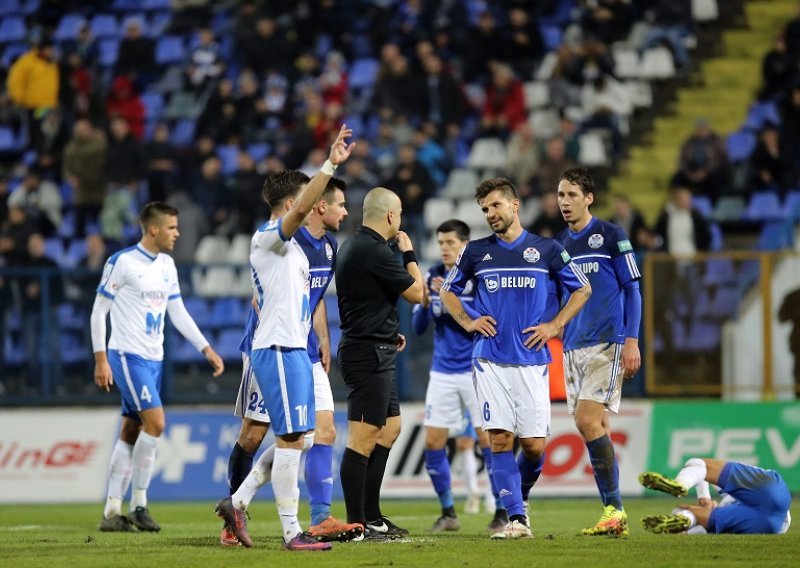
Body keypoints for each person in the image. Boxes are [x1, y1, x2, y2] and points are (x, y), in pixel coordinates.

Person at [215, 126, 355, 552]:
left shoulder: (299, 249)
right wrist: (330, 164)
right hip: (275, 348)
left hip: (298, 349)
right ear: (295, 204)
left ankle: (237, 503)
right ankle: (292, 532)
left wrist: (321, 335)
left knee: (305, 437)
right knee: (287, 438)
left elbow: (308, 299)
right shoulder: (267, 239)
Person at [440, 177, 591, 539]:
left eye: (495, 206)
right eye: (485, 209)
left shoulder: (547, 249)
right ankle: (517, 519)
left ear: (514, 205)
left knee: (535, 448)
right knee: (500, 440)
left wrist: (554, 325)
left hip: (532, 361)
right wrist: (468, 321)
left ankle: (519, 500)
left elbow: (582, 288)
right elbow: (449, 293)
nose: (490, 214)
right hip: (489, 359)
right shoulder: (476, 252)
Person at [91, 202, 224, 532]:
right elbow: (99, 312)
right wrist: (101, 359)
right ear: (153, 229)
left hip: (154, 359)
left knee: (131, 429)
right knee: (157, 422)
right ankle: (139, 504)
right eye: (172, 228)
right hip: (127, 355)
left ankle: (111, 512)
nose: (178, 233)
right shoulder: (121, 262)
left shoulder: (167, 265)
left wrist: (205, 347)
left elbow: (177, 312)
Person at [553, 168, 642, 536]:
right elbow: (558, 297)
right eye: (560, 195)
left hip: (608, 341)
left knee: (587, 421)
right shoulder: (559, 246)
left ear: (588, 198)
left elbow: (632, 290)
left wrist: (632, 340)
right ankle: (614, 515)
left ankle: (615, 508)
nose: (564, 202)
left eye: (571, 195)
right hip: (573, 346)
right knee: (598, 424)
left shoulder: (611, 236)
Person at [336, 186, 424, 540]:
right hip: (366, 354)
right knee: (361, 438)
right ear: (391, 216)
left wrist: (389, 332)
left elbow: (369, 301)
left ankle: (371, 517)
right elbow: (418, 293)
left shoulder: (360, 246)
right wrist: (410, 253)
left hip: (377, 347)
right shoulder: (374, 250)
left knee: (389, 429)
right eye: (399, 213)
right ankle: (357, 524)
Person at [411, 219, 507, 534]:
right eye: (441, 243)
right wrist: (426, 301)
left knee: (488, 440)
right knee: (433, 443)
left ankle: (502, 511)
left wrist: (452, 299)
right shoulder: (433, 275)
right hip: (442, 372)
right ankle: (448, 511)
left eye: (451, 243)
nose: (445, 248)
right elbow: (418, 328)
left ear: (465, 244)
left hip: (475, 370)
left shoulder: (478, 275)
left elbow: (490, 320)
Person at [639, 458, 791, 535]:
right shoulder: (725, 499)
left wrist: (703, 498)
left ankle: (686, 518)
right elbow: (702, 469)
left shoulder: (723, 505)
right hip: (775, 510)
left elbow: (693, 528)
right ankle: (682, 483)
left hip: (764, 525)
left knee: (697, 518)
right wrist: (703, 496)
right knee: (697, 462)